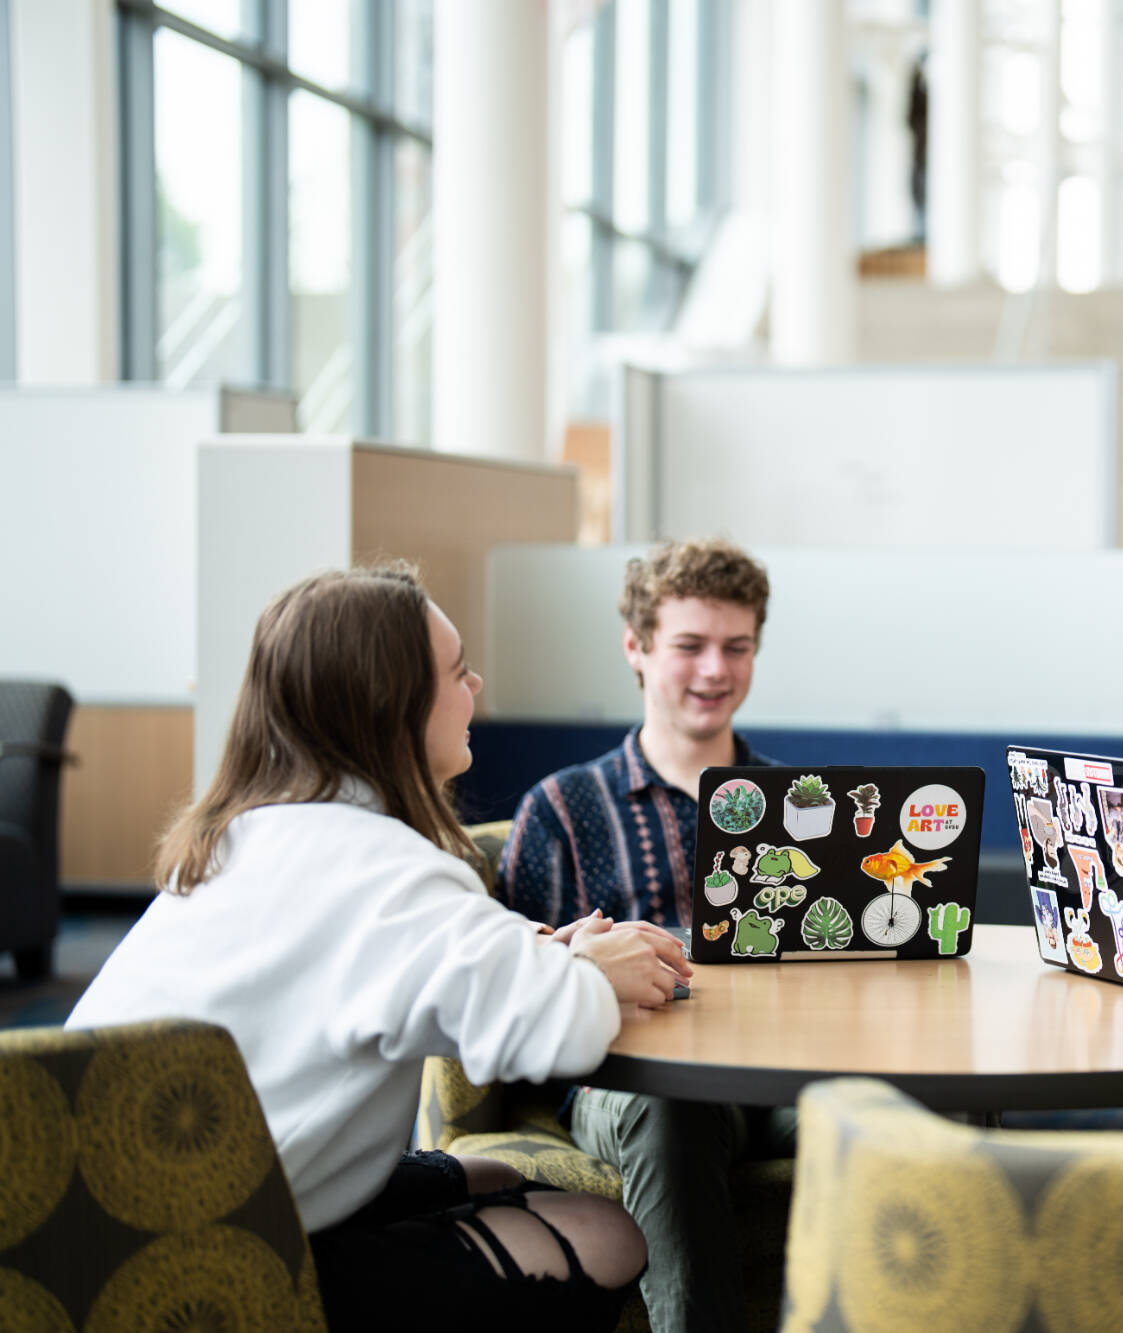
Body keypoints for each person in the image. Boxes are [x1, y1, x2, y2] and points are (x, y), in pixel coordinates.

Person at [66, 565, 694, 1330]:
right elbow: (559, 1031)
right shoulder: (387, 871)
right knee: (608, 1231)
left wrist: (542, 961)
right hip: (206, 1262)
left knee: (497, 1170)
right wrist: (588, 969)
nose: (477, 683)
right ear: (392, 707)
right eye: (458, 670)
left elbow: (402, 970)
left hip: (101, 1236)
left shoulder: (251, 837)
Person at [497, 537, 791, 1333]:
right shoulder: (562, 808)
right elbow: (508, 985)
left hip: (776, 1069)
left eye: (738, 647)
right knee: (671, 1104)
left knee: (920, 1101)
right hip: (627, 1081)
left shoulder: (796, 804)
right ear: (636, 647)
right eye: (690, 646)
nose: (715, 671)